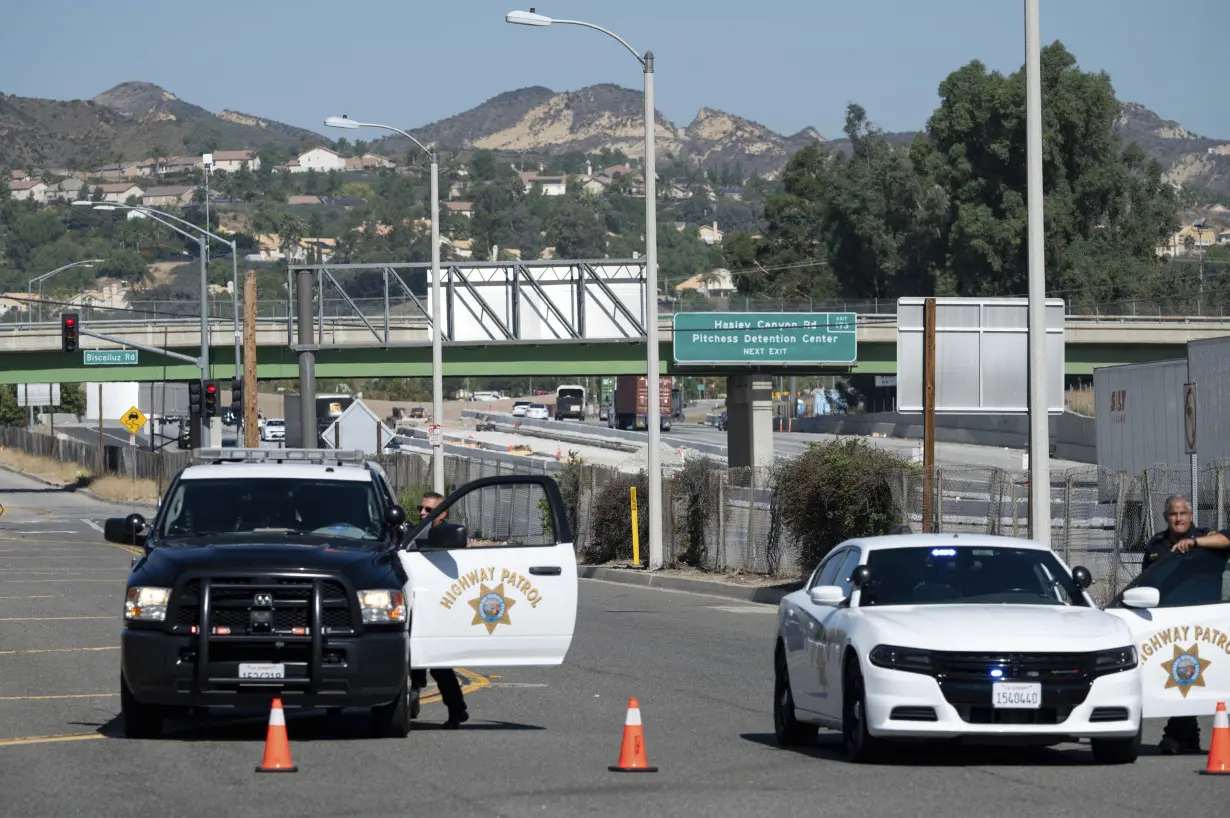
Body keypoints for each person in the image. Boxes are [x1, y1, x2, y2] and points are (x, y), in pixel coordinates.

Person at [1140, 495, 1209, 755]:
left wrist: (1195, 542)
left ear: (1191, 516)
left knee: (1186, 673)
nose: (1178, 518)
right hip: (1166, 618)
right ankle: (1184, 735)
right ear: (1165, 517)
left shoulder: (1205, 538)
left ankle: (1179, 734)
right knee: (1178, 674)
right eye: (1172, 514)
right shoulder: (1156, 544)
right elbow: (1147, 579)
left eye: (1182, 513)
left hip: (1200, 616)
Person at [409, 492, 470, 729]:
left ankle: (457, 710)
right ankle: (412, 699)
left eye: (429, 510)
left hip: (438, 607)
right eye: (421, 508)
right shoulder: (412, 534)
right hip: (415, 603)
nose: (423, 513)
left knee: (439, 665)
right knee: (411, 658)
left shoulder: (444, 535)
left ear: (442, 514)